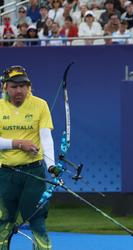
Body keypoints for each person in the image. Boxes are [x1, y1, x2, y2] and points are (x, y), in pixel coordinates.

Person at [0, 65, 61, 249]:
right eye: (14, 86)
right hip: (5, 174)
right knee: (4, 221)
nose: (19, 90)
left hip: (33, 172)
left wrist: (51, 166)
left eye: (23, 85)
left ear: (29, 86)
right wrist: (18, 143)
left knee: (36, 220)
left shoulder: (39, 104)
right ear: (5, 87)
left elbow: (46, 138)